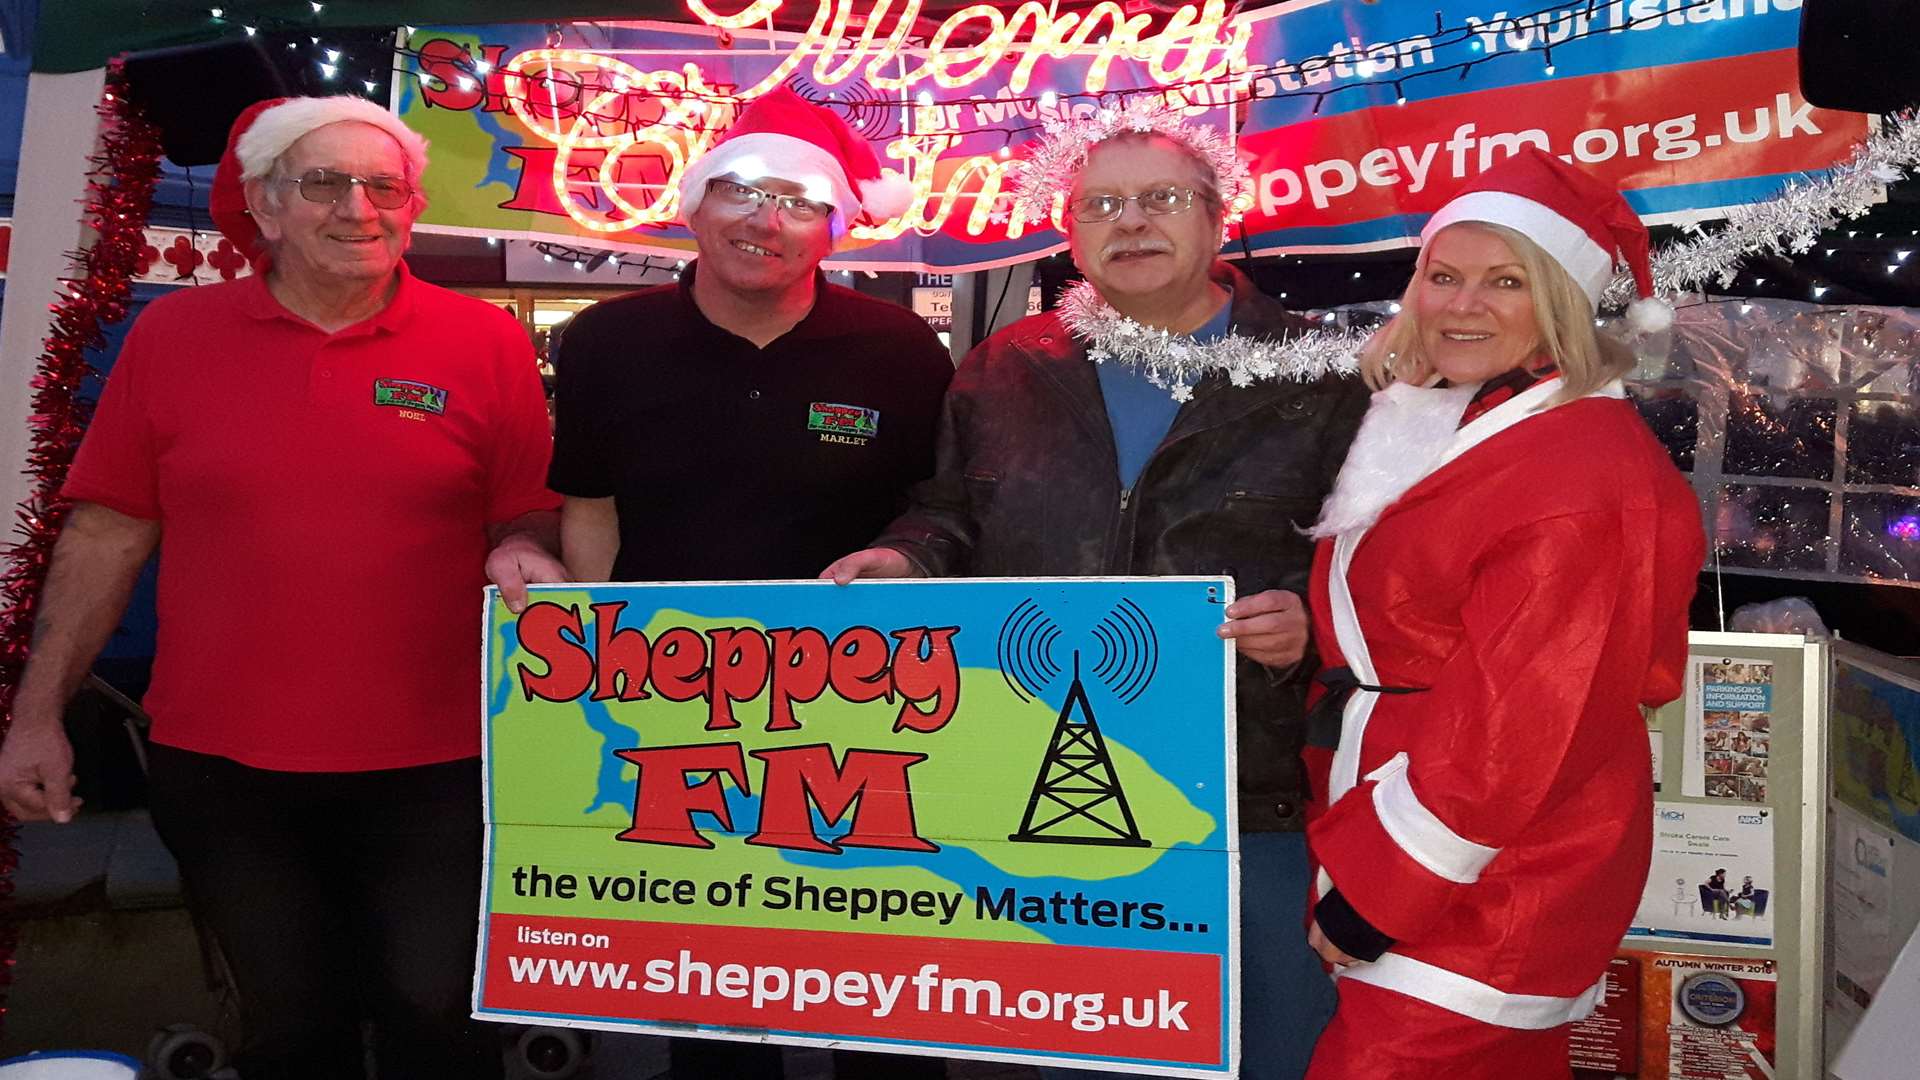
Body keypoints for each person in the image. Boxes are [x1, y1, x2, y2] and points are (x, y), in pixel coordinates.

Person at [0, 96, 566, 1077]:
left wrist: (524, 548)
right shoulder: (173, 337)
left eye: (384, 185)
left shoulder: (483, 340)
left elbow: (525, 508)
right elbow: (106, 534)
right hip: (226, 767)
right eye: (325, 183)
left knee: (438, 1013)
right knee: (293, 1027)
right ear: (262, 205)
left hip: (443, 759)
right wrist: (38, 713)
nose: (361, 208)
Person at [823, 100, 1369, 1080]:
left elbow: (1380, 559)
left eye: (1160, 198)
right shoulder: (1007, 367)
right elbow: (951, 512)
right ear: (1070, 234)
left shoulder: (1322, 371)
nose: (1131, 222)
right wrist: (901, 561)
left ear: (1216, 213)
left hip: (1249, 792)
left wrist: (1312, 619)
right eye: (1100, 204)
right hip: (1027, 788)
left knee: (1267, 1047)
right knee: (1067, 1052)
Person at [545, 87, 953, 1080]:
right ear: (693, 205)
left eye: (797, 201)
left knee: (885, 992)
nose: (763, 221)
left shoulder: (901, 351)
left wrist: (904, 560)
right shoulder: (605, 342)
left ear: (833, 226)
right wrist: (594, 664)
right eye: (739, 191)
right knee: (716, 995)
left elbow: (940, 510)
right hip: (676, 702)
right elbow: (590, 509)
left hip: (864, 711)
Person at [1298, 148, 1705, 1079]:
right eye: (1444, 276)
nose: (1462, 304)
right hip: (1442, 834)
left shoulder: (1581, 475)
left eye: (1506, 281)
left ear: (1560, 302)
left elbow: (1522, 720)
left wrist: (1385, 889)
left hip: (1489, 871)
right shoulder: (1477, 420)